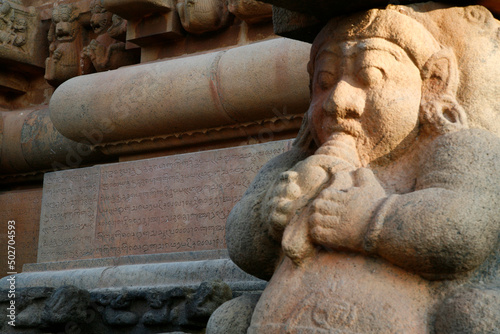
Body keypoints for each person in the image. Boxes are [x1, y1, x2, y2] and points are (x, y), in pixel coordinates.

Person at [218, 4, 500, 333]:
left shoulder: (456, 148)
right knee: (228, 319)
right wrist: (268, 218)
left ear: (433, 81)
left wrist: (369, 218)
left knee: (477, 316)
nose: (337, 101)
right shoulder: (293, 164)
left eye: (369, 77)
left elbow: (463, 229)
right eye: (324, 82)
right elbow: (241, 242)